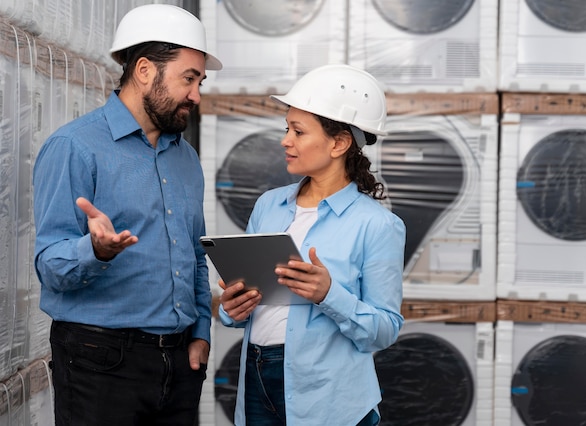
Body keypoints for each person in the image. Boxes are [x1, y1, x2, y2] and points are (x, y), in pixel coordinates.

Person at [32, 4, 221, 425]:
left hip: (180, 362)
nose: (196, 94)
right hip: (99, 363)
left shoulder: (185, 158)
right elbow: (49, 266)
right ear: (144, 71)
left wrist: (201, 335)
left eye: (200, 81)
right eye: (188, 78)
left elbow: (193, 256)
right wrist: (94, 251)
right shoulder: (74, 148)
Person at [218, 64, 406, 426]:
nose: (285, 140)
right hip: (257, 380)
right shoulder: (268, 206)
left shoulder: (377, 225)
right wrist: (232, 308)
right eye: (286, 129)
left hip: (331, 396)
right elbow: (249, 312)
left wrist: (328, 294)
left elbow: (385, 329)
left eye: (298, 131)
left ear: (339, 142)